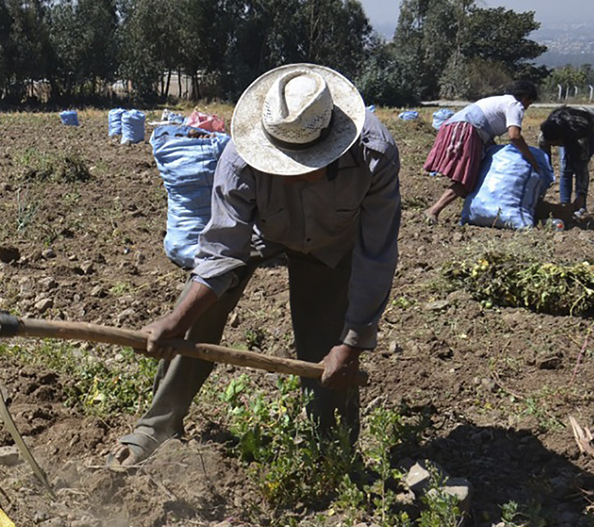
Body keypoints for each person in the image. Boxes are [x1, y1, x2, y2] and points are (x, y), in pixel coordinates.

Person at [108, 63, 401, 466]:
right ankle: (157, 426)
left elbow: (376, 255)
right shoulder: (239, 159)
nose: (293, 178)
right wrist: (176, 321)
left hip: (333, 245)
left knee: (327, 351)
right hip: (263, 232)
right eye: (282, 165)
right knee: (197, 313)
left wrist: (352, 344)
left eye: (304, 167)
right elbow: (219, 254)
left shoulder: (375, 154)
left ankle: (331, 454)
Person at [422, 80, 544, 224]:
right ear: (525, 97)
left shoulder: (501, 100)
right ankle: (434, 210)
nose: (527, 107)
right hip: (465, 130)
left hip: (459, 127)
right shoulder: (515, 105)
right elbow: (514, 136)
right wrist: (530, 158)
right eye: (529, 102)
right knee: (466, 179)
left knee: (470, 175)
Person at [538, 106, 594, 217]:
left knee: (574, 163)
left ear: (562, 138)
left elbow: (582, 167)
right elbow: (544, 162)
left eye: (556, 143)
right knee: (565, 166)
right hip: (568, 128)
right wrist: (542, 183)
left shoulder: (579, 137)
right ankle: (565, 205)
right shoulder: (544, 136)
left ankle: (580, 207)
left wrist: (581, 194)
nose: (554, 146)